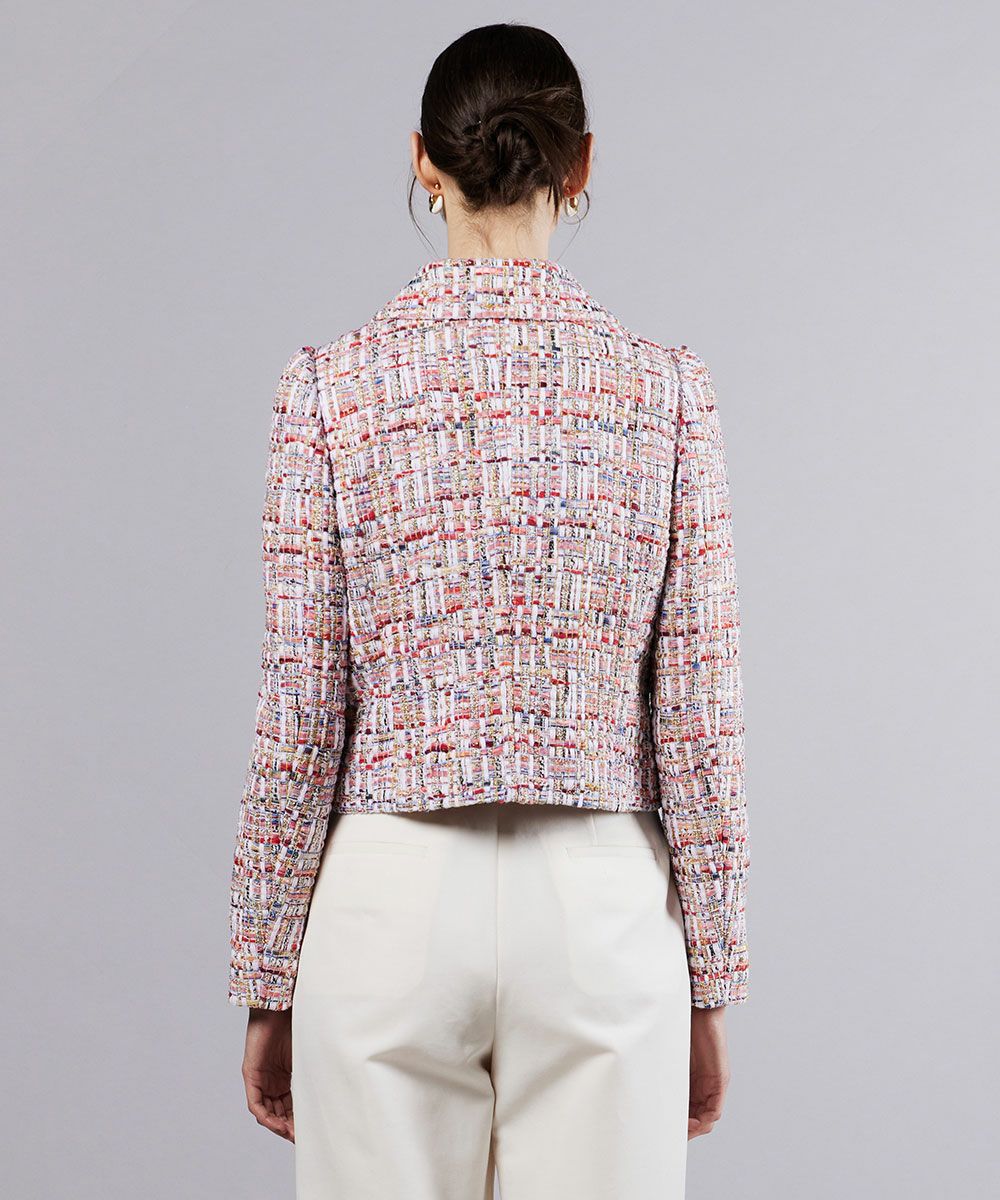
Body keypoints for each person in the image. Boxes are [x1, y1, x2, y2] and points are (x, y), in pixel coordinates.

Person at [228, 21, 750, 1200]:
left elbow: (299, 712)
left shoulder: (329, 387)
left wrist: (269, 978)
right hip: (600, 907)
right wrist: (708, 977)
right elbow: (698, 722)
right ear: (581, 163)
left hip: (387, 902)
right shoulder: (666, 392)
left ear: (423, 159)